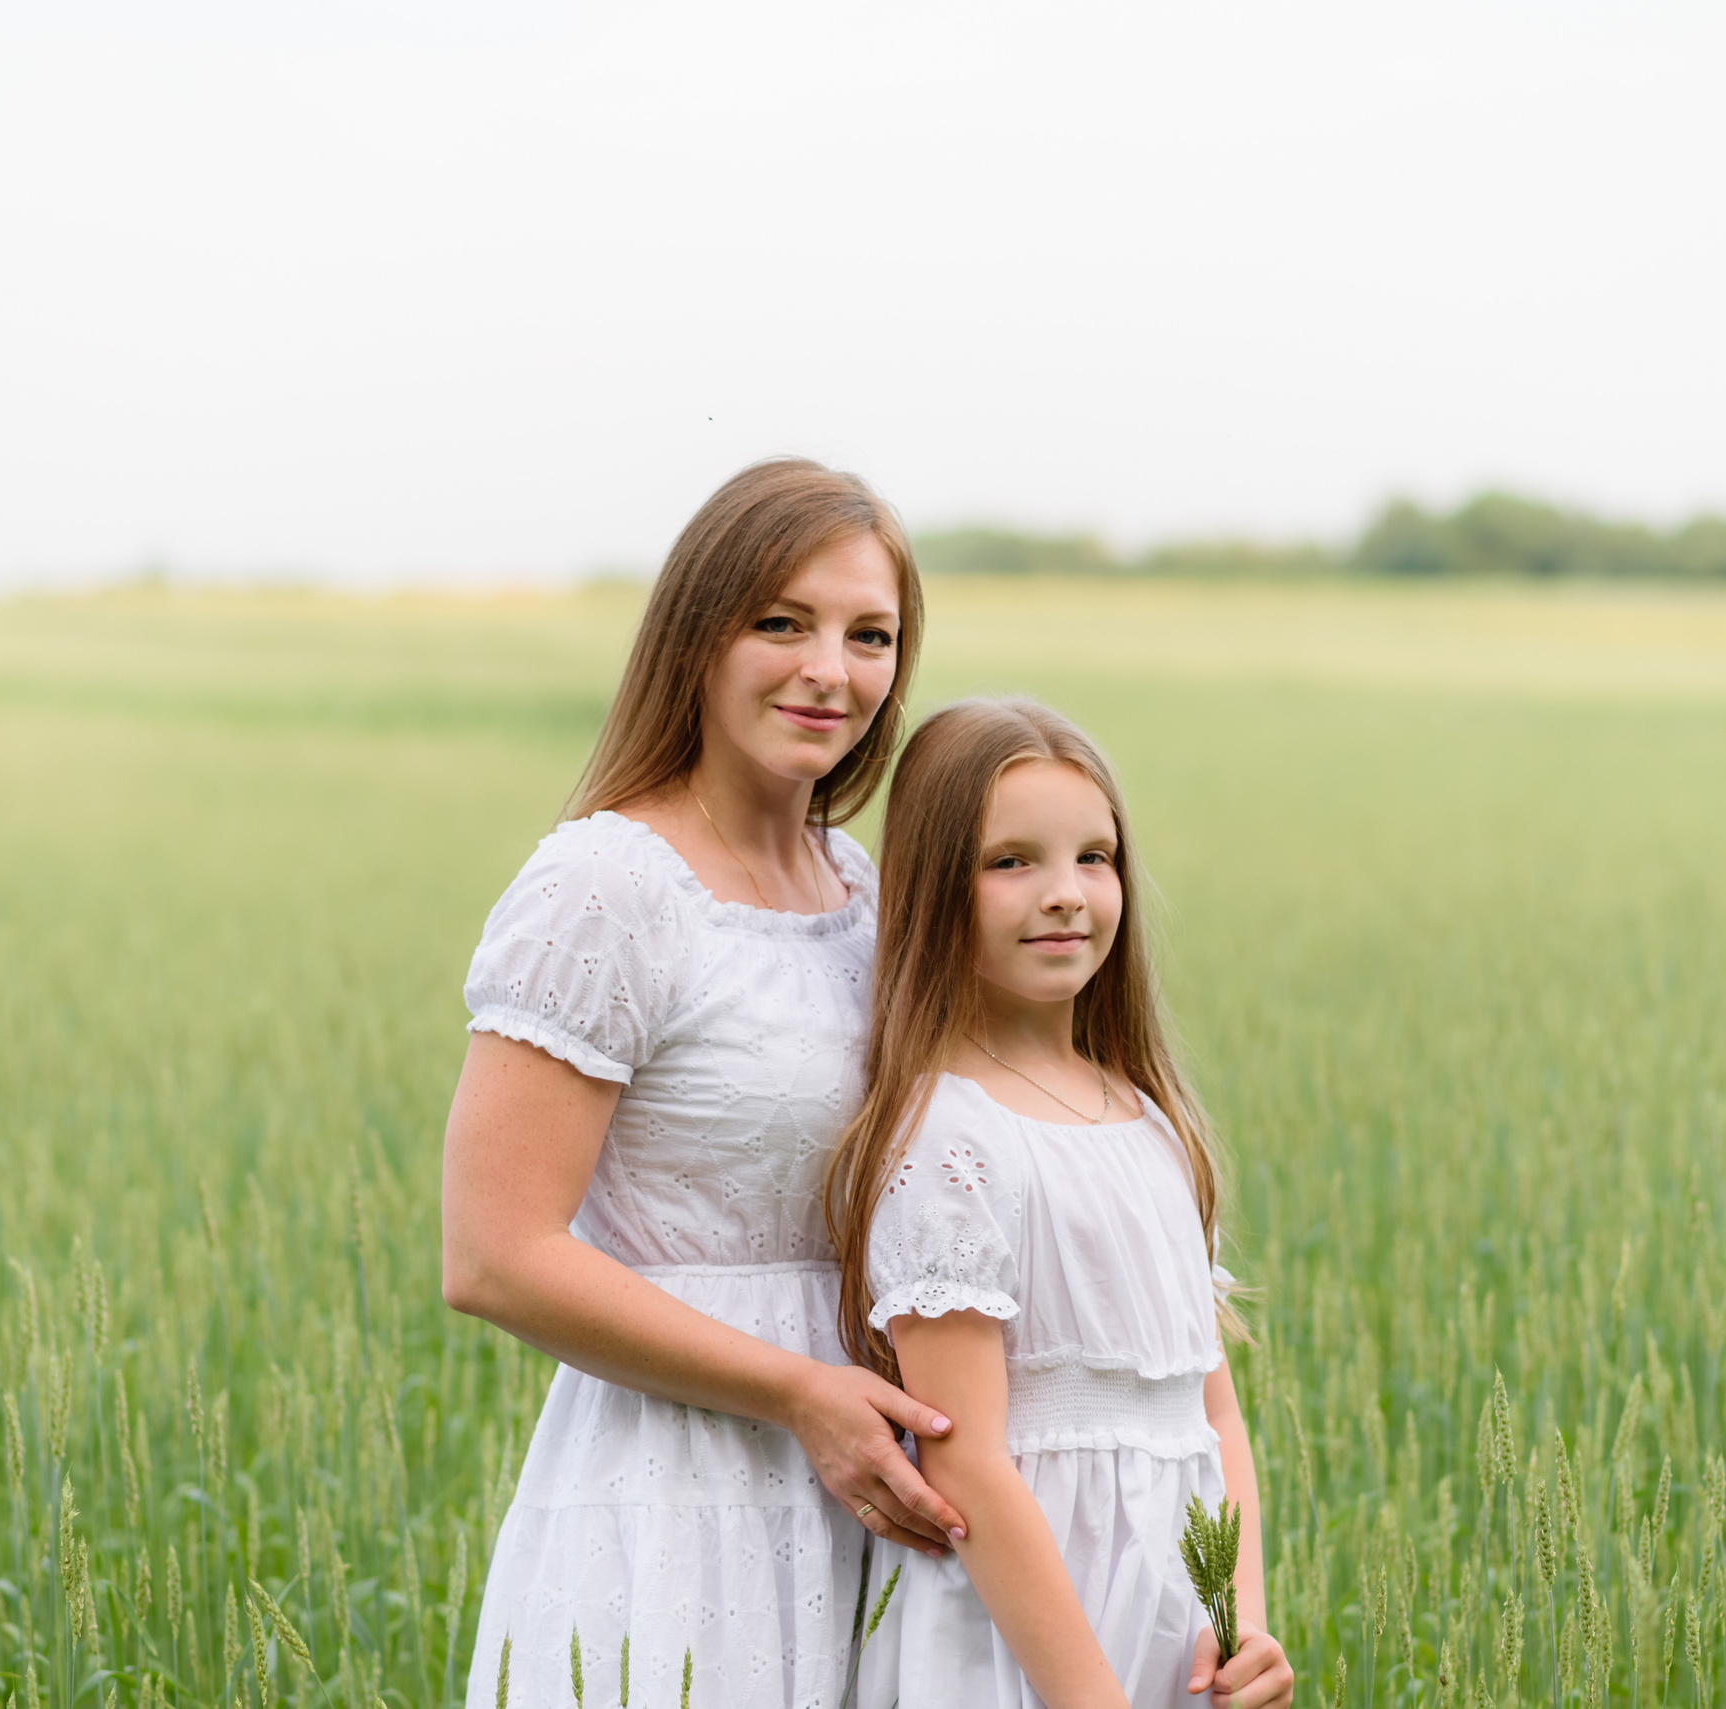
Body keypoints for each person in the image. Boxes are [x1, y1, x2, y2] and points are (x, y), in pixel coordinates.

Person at [440, 460, 969, 1709]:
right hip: (671, 1494)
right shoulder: (607, 885)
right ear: (695, 632)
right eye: (779, 621)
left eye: (869, 635)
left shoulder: (869, 894)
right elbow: (493, 1252)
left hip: (869, 1495)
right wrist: (796, 1394)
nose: (828, 669)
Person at [827, 699, 1296, 1709]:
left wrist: (1242, 1618)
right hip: (1025, 1641)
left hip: (1177, 1630)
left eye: (1095, 857)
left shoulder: (1151, 1120)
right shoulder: (950, 1141)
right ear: (931, 888)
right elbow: (970, 1464)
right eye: (1011, 862)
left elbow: (1209, 1409)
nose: (1066, 895)